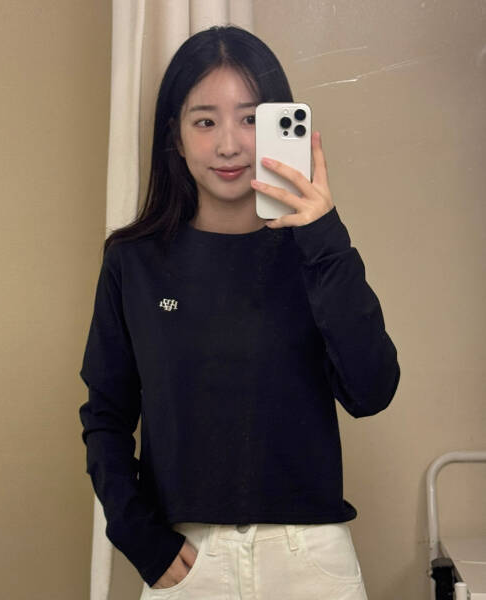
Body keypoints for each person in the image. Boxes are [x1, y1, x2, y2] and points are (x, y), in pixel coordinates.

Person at [79, 25, 400, 600]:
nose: (229, 145)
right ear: (176, 138)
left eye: (251, 119)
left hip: (310, 561)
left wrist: (325, 236)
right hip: (188, 562)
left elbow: (372, 390)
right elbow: (105, 414)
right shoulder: (133, 262)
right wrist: (138, 536)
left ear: (280, 127)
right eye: (205, 122)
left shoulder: (316, 253)